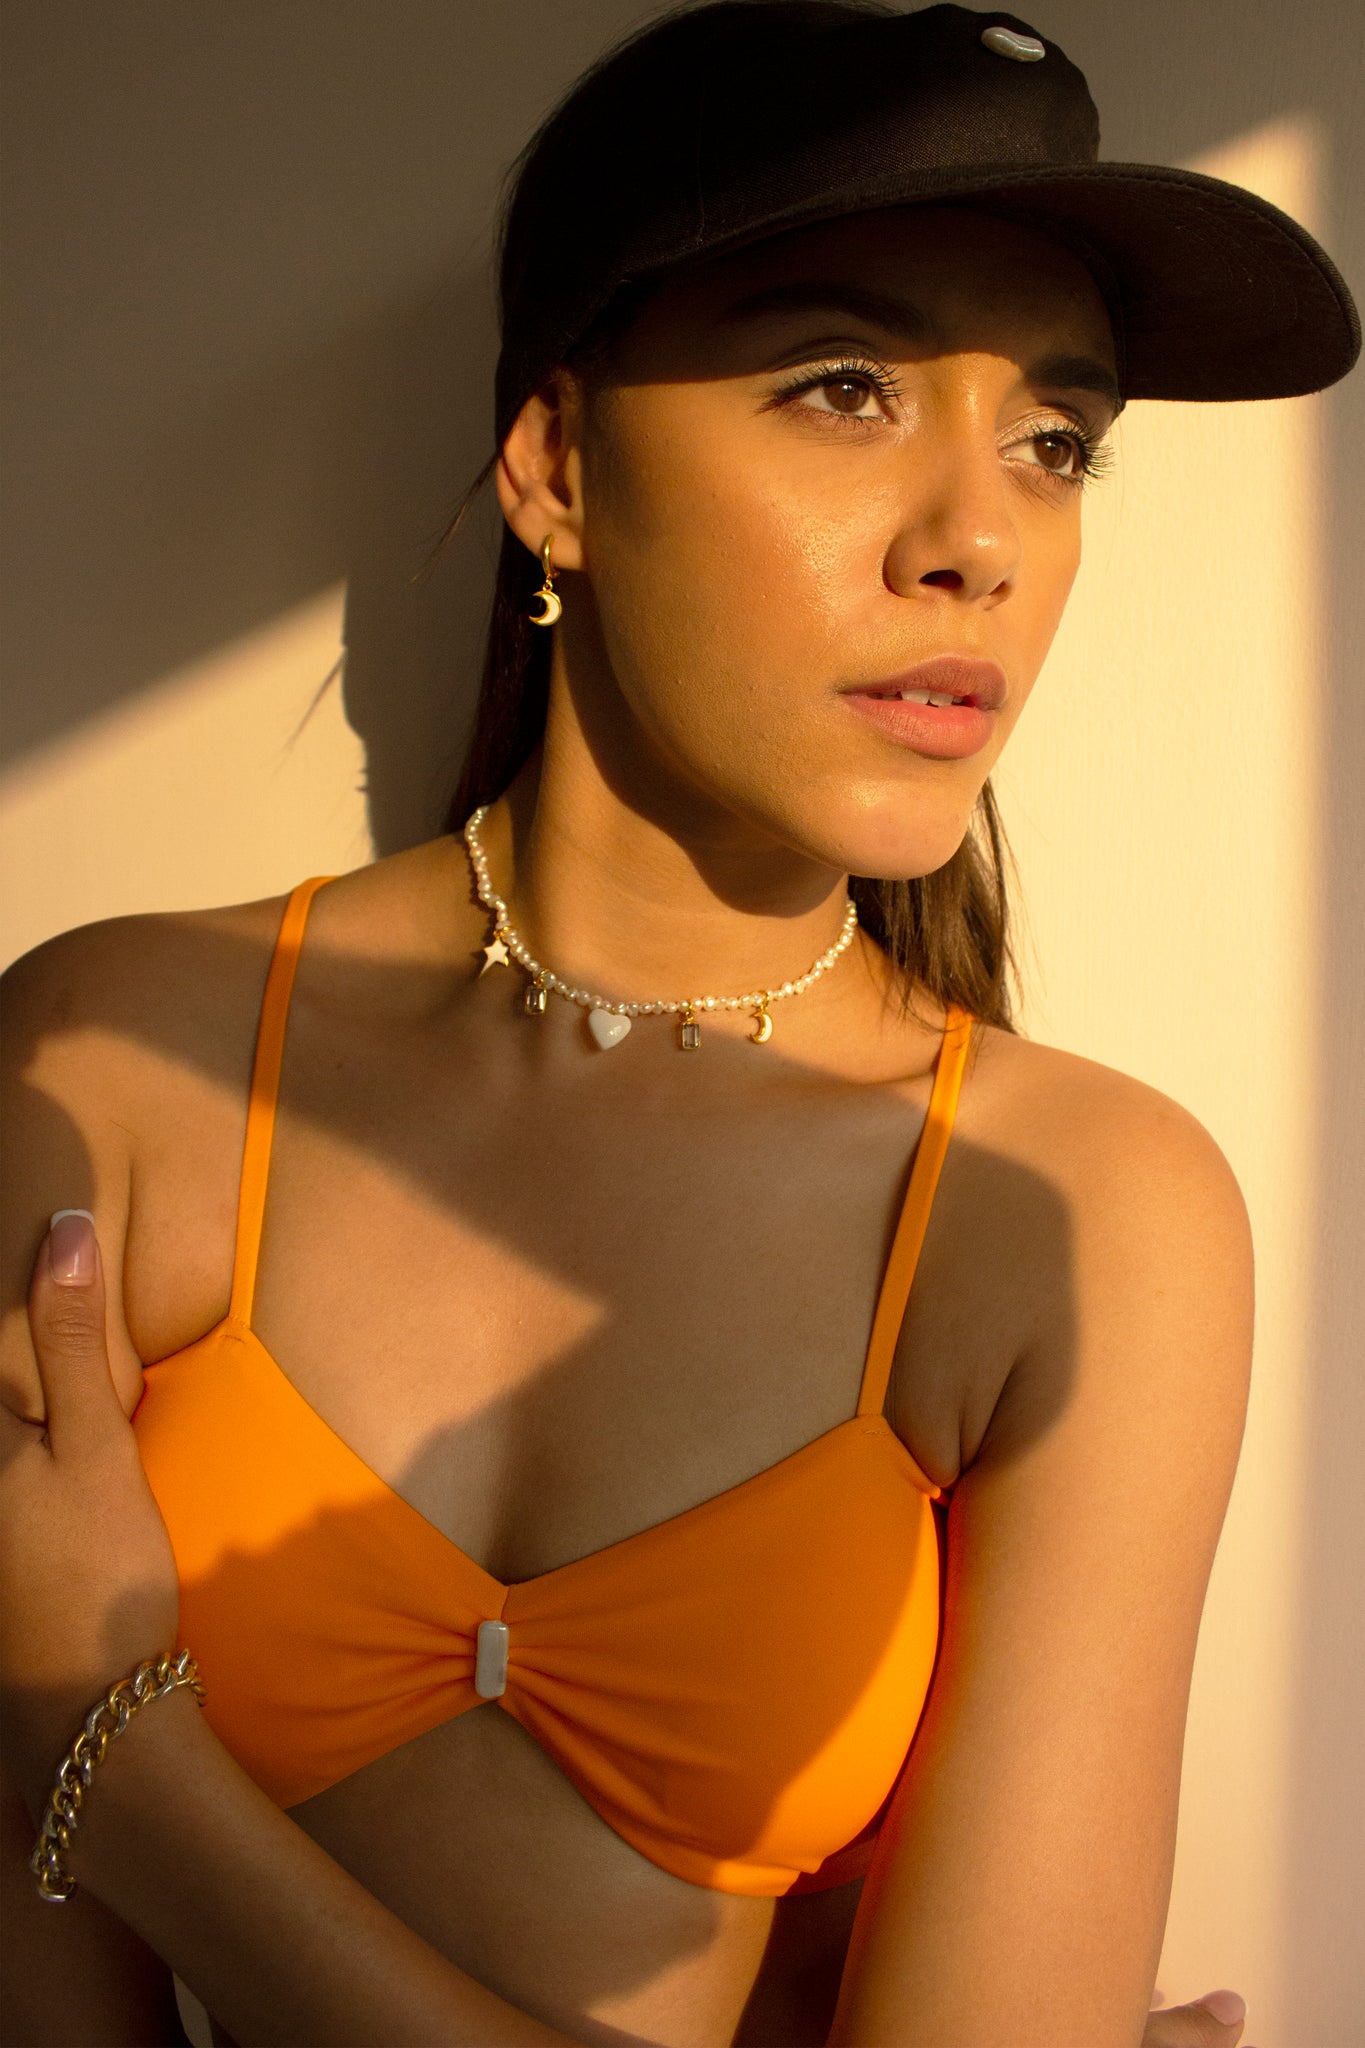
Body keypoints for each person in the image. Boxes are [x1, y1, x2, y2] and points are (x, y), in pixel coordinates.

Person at [0, 4, 1357, 2043]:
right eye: (843, 386)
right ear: (556, 467)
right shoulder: (111, 1066)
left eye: (1053, 441)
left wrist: (121, 1769)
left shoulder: (1072, 1212)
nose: (979, 541)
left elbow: (57, 1766)